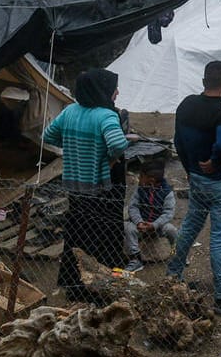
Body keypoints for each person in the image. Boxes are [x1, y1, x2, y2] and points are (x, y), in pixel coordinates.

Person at [168, 60, 221, 315]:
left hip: (197, 180)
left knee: (190, 226)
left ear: (204, 81)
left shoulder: (186, 105)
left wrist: (190, 168)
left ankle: (173, 276)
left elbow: (178, 141)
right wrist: (214, 163)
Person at [42, 68, 129, 297]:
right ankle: (102, 287)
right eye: (113, 88)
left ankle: (73, 284)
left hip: (75, 186)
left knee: (77, 234)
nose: (117, 92)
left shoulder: (70, 111)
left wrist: (74, 144)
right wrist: (108, 158)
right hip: (100, 188)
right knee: (104, 236)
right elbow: (118, 144)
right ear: (102, 90)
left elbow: (48, 136)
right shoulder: (106, 115)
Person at [122, 163, 176, 272]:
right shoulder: (140, 189)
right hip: (141, 225)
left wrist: (154, 225)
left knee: (171, 229)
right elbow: (133, 207)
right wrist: (139, 222)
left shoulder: (167, 193)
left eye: (141, 177)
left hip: (158, 226)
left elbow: (168, 213)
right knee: (128, 227)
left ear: (151, 180)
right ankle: (136, 259)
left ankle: (179, 253)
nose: (139, 179)